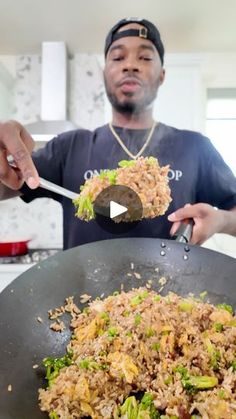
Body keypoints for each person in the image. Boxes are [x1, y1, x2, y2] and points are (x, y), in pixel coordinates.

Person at [0, 17, 236, 249]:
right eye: (118, 57)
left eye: (144, 57)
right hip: (82, 286)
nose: (130, 65)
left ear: (162, 74)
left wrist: (222, 220)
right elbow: (8, 183)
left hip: (173, 285)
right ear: (105, 73)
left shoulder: (195, 147)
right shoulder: (69, 147)